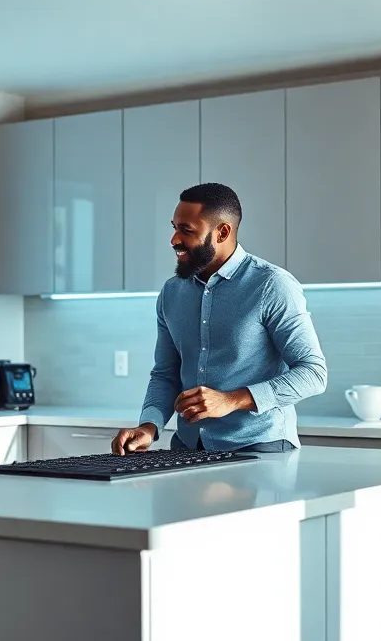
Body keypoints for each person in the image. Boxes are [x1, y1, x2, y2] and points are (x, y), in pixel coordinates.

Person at [112, 182, 326, 455]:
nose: (174, 239)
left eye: (186, 230)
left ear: (222, 232)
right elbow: (165, 374)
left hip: (258, 449)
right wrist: (149, 427)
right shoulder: (171, 292)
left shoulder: (271, 285)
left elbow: (313, 373)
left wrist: (233, 400)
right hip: (187, 448)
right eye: (174, 227)